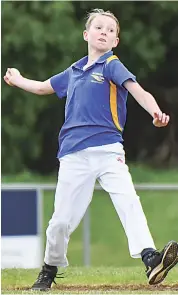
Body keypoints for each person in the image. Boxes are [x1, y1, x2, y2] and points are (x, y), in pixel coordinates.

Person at [4, 8, 178, 291]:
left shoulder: (112, 65)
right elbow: (42, 87)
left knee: (128, 201)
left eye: (111, 30)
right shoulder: (73, 71)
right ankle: (49, 269)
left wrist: (156, 111)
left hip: (109, 150)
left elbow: (137, 91)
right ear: (86, 34)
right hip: (73, 154)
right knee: (60, 220)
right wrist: (19, 79)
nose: (104, 32)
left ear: (115, 42)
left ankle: (151, 258)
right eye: (99, 27)